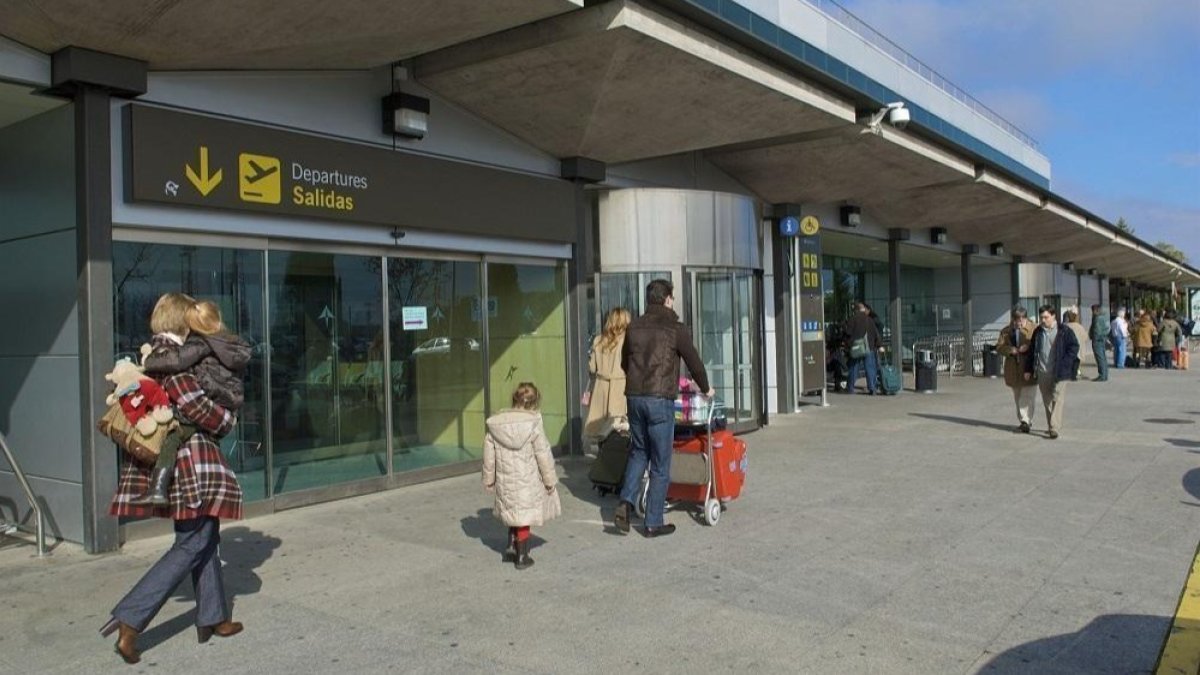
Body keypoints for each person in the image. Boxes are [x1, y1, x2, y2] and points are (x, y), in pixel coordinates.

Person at [100, 293, 245, 664]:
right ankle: (130, 620)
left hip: (177, 461)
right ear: (184, 321)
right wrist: (228, 420)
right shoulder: (177, 364)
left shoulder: (155, 355)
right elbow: (205, 413)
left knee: (204, 534)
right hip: (190, 462)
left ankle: (213, 617)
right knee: (194, 542)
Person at [613, 279, 711, 538]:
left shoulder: (633, 326)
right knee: (660, 462)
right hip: (659, 399)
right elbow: (694, 361)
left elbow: (625, 362)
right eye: (672, 298)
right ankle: (653, 521)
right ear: (668, 299)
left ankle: (625, 501)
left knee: (638, 452)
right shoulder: (675, 328)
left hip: (634, 397)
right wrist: (706, 387)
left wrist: (636, 379)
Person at [134, 300, 251, 506]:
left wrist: (147, 362)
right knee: (201, 532)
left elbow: (176, 362)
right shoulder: (229, 343)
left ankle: (158, 488)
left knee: (173, 436)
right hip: (227, 399)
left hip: (203, 421)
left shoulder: (200, 343)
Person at [481, 382, 561, 570]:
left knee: (512, 512)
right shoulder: (533, 424)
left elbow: (488, 455)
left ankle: (510, 546)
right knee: (523, 516)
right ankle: (522, 556)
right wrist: (550, 481)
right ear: (533, 404)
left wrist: (488, 479)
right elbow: (543, 454)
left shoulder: (497, 423)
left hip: (505, 479)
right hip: (527, 480)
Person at [1023, 304, 1079, 440]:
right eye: (1041, 317)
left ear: (1053, 316)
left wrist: (1066, 363)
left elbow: (1074, 347)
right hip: (1043, 371)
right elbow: (1032, 352)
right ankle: (1051, 426)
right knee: (1047, 399)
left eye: (1046, 317)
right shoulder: (1038, 332)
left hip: (1060, 371)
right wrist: (1028, 369)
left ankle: (1054, 427)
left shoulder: (1064, 331)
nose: (1043, 320)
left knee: (1057, 397)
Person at [583, 307, 631, 442]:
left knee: (599, 428)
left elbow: (592, 368)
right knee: (618, 426)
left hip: (601, 387)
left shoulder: (598, 340)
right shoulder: (627, 341)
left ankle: (602, 457)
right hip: (620, 386)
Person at [995, 305, 1037, 433]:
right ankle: (1023, 420)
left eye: (1020, 320)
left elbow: (1039, 344)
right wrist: (1009, 350)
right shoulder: (1006, 331)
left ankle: (1026, 420)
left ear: (1025, 318)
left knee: (1028, 396)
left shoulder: (1034, 329)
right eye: (1015, 320)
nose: (1017, 323)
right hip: (1013, 368)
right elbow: (999, 347)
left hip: (1029, 367)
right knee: (1018, 396)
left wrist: (1028, 347)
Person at [843, 302, 884, 395]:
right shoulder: (870, 320)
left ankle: (850, 388)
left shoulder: (852, 319)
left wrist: (848, 345)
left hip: (856, 348)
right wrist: (879, 345)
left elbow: (847, 334)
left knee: (854, 368)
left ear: (856, 310)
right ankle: (872, 388)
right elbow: (876, 334)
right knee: (870, 368)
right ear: (863, 309)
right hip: (869, 347)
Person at [1062, 310, 1088, 381]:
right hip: (1078, 347)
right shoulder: (1080, 327)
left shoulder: (1065, 326)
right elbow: (1085, 337)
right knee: (1076, 362)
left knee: (1069, 361)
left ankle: (1069, 374)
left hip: (1068, 348)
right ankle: (1074, 375)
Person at [1088, 304, 1110, 382]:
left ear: (1096, 310)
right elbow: (1107, 329)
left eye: (1093, 310)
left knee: (1099, 357)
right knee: (1103, 357)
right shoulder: (1104, 317)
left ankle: (1102, 375)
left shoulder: (1097, 318)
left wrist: (1094, 337)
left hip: (1097, 340)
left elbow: (1096, 330)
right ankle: (1105, 374)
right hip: (1103, 339)